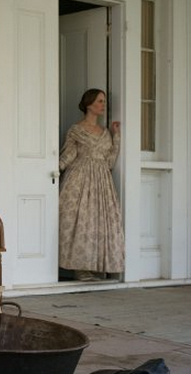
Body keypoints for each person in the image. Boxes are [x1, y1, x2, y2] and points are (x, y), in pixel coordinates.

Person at [59, 89, 124, 281]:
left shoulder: (105, 133)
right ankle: (80, 269)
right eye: (100, 101)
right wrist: (54, 169)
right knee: (80, 221)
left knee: (99, 223)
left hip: (102, 180)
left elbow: (109, 161)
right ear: (89, 104)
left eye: (104, 101)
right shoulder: (76, 130)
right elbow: (69, 154)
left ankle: (96, 266)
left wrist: (116, 136)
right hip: (79, 178)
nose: (103, 105)